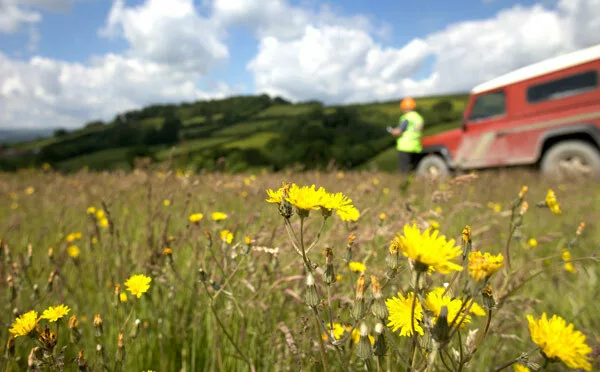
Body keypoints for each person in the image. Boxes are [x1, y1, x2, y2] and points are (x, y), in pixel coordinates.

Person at [387, 97, 424, 173]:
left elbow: (399, 131)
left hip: (405, 147)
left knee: (404, 171)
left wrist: (392, 131)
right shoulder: (418, 117)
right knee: (414, 169)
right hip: (416, 146)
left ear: (404, 107)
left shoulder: (406, 118)